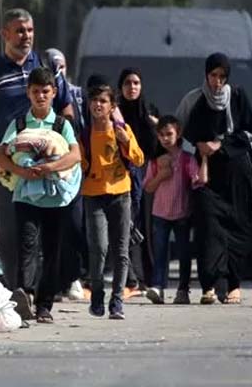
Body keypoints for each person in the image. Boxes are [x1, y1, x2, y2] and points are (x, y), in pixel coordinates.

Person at [0, 9, 74, 288]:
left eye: (29, 30)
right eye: (19, 30)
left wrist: (61, 147)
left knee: (45, 231)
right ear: (5, 34)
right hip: (7, 168)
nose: (26, 36)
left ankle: (41, 293)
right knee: (10, 233)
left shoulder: (45, 65)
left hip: (47, 165)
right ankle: (18, 291)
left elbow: (66, 108)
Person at [0, 67, 82, 323]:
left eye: (45, 91)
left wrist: (49, 168)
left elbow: (75, 155)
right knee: (27, 248)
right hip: (26, 197)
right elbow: (1, 154)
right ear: (28, 93)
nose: (40, 96)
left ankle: (45, 306)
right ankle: (25, 297)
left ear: (54, 93)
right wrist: (20, 169)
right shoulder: (19, 124)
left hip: (56, 199)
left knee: (52, 250)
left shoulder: (61, 124)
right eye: (35, 92)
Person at [176, 53, 252, 305]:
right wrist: (200, 147)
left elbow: (251, 132)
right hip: (205, 176)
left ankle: (234, 284)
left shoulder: (237, 97)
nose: (217, 82)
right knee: (207, 229)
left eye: (222, 77)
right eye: (213, 76)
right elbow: (178, 131)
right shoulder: (194, 99)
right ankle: (209, 284)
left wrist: (220, 144)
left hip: (237, 174)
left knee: (236, 226)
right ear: (206, 75)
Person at [81, 76, 144, 320]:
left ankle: (116, 301)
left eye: (103, 101)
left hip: (121, 193)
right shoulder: (85, 135)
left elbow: (138, 160)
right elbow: (81, 164)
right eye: (94, 100)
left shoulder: (122, 130)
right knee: (98, 248)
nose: (98, 105)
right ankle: (97, 294)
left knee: (121, 250)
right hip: (93, 194)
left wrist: (127, 142)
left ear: (111, 106)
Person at [144, 115, 208, 305]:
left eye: (169, 134)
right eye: (161, 135)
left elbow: (198, 181)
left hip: (182, 213)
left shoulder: (186, 159)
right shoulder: (156, 160)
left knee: (183, 253)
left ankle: (183, 289)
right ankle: (158, 286)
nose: (165, 138)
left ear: (178, 133)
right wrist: (162, 175)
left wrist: (204, 159)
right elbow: (148, 187)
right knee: (160, 250)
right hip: (160, 213)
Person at [43, 48, 87, 302]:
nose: (56, 69)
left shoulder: (77, 95)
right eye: (51, 65)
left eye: (59, 65)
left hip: (72, 170)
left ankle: (72, 277)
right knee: (48, 227)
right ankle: (51, 282)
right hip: (43, 169)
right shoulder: (38, 95)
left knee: (73, 225)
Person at [117, 68, 159, 300]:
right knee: (126, 227)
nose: (132, 88)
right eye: (127, 83)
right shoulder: (116, 114)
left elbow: (158, 148)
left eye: (136, 83)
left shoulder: (149, 113)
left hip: (146, 178)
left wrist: (154, 124)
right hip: (121, 177)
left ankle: (150, 278)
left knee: (147, 229)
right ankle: (130, 278)